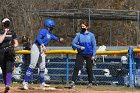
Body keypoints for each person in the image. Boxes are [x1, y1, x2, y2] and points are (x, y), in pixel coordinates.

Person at [22, 18, 64, 90]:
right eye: (52, 26)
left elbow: (54, 37)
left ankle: (42, 83)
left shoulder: (49, 34)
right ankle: (25, 82)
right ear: (48, 25)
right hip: (36, 47)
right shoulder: (43, 31)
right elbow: (38, 38)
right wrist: (42, 45)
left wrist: (59, 39)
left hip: (41, 48)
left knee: (42, 66)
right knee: (32, 65)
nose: (53, 27)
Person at [70, 21, 96, 88]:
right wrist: (79, 47)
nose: (82, 27)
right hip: (81, 54)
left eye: (83, 26)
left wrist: (94, 55)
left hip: (89, 54)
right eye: (81, 26)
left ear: (87, 27)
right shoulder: (79, 35)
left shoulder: (91, 35)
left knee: (89, 68)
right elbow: (73, 43)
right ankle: (73, 82)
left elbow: (94, 45)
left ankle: (90, 83)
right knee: (77, 67)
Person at [0, 18, 18, 93]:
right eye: (5, 23)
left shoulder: (12, 32)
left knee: (9, 68)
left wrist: (13, 46)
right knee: (4, 69)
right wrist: (5, 32)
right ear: (2, 24)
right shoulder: (0, 31)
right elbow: (0, 41)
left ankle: (8, 84)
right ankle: (6, 85)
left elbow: (16, 43)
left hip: (9, 51)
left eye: (8, 23)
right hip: (1, 51)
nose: (7, 24)